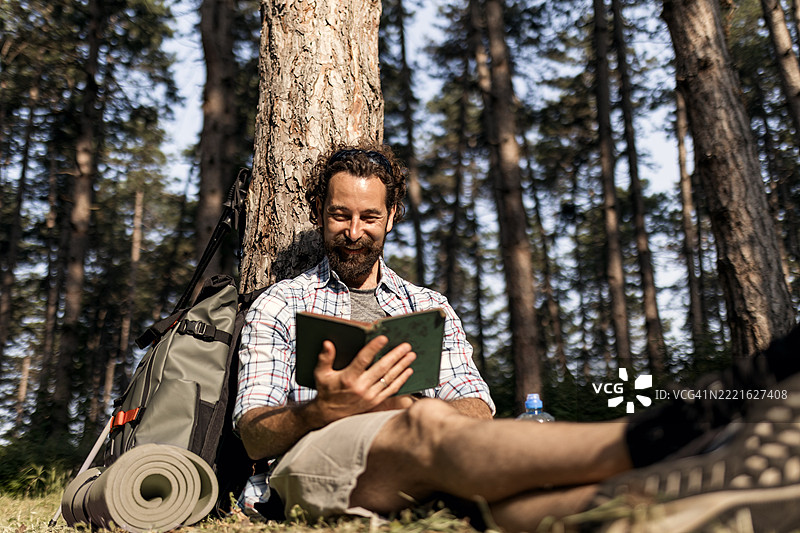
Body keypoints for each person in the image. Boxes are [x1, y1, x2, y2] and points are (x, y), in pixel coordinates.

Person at [233, 143, 800, 532]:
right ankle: (669, 433)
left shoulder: (426, 307)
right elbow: (254, 437)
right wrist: (321, 410)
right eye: (339, 216)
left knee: (501, 505)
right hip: (313, 461)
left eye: (368, 218)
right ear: (317, 214)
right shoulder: (280, 305)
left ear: (392, 216)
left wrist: (408, 400)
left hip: (432, 457)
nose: (353, 232)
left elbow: (478, 408)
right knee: (423, 425)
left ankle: (678, 499)